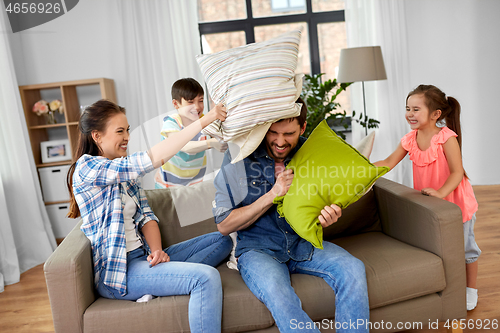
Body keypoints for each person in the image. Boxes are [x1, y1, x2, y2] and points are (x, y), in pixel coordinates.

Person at [66, 99, 232, 332]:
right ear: (97, 136)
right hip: (120, 273)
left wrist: (156, 251)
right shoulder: (88, 168)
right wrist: (206, 119)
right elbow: (152, 158)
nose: (127, 137)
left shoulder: (124, 171)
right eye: (120, 131)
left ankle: (159, 281)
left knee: (222, 240)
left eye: (128, 130)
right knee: (205, 278)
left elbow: (146, 216)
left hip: (143, 258)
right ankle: (163, 280)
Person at [212, 97, 370, 332]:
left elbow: (323, 202)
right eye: (273, 132)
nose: (279, 141)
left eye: (289, 134)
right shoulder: (239, 156)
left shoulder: (313, 154)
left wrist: (327, 216)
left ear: (303, 128)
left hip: (303, 244)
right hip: (259, 250)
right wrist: (273, 194)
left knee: (353, 269)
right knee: (279, 293)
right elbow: (224, 225)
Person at [373, 84, 480, 311]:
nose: (409, 114)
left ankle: (471, 289)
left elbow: (457, 172)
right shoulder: (410, 139)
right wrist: (360, 167)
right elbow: (388, 162)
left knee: (466, 248)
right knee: (440, 247)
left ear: (435, 114)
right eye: (407, 108)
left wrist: (441, 193)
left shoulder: (446, 138)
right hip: (431, 205)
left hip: (456, 202)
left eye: (415, 109)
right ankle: (450, 286)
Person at [155, 78, 228, 188]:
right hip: (168, 186)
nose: (197, 107)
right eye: (190, 102)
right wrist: (211, 143)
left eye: (200, 100)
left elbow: (220, 134)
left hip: (194, 184)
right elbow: (183, 146)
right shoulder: (171, 122)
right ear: (176, 104)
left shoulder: (204, 120)